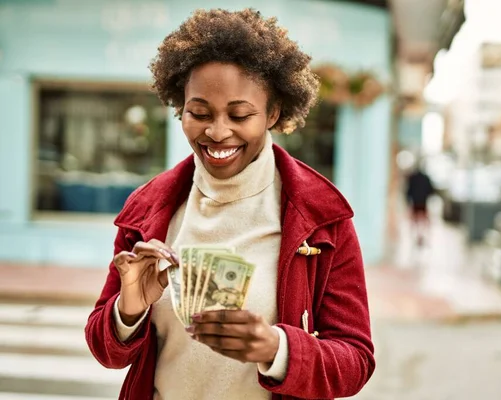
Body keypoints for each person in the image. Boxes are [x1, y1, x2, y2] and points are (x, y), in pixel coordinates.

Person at [85, 8, 375, 400]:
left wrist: (277, 349)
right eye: (199, 113)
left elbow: (355, 361)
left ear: (273, 113)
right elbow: (106, 352)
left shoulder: (322, 218)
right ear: (180, 109)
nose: (217, 132)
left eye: (240, 115)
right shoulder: (148, 210)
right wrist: (128, 308)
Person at [405, 163, 436, 247]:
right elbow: (431, 190)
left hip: (415, 202)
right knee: (424, 221)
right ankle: (421, 235)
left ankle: (417, 236)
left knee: (415, 221)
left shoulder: (412, 178)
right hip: (423, 202)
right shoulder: (426, 178)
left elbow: (408, 191)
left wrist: (408, 201)